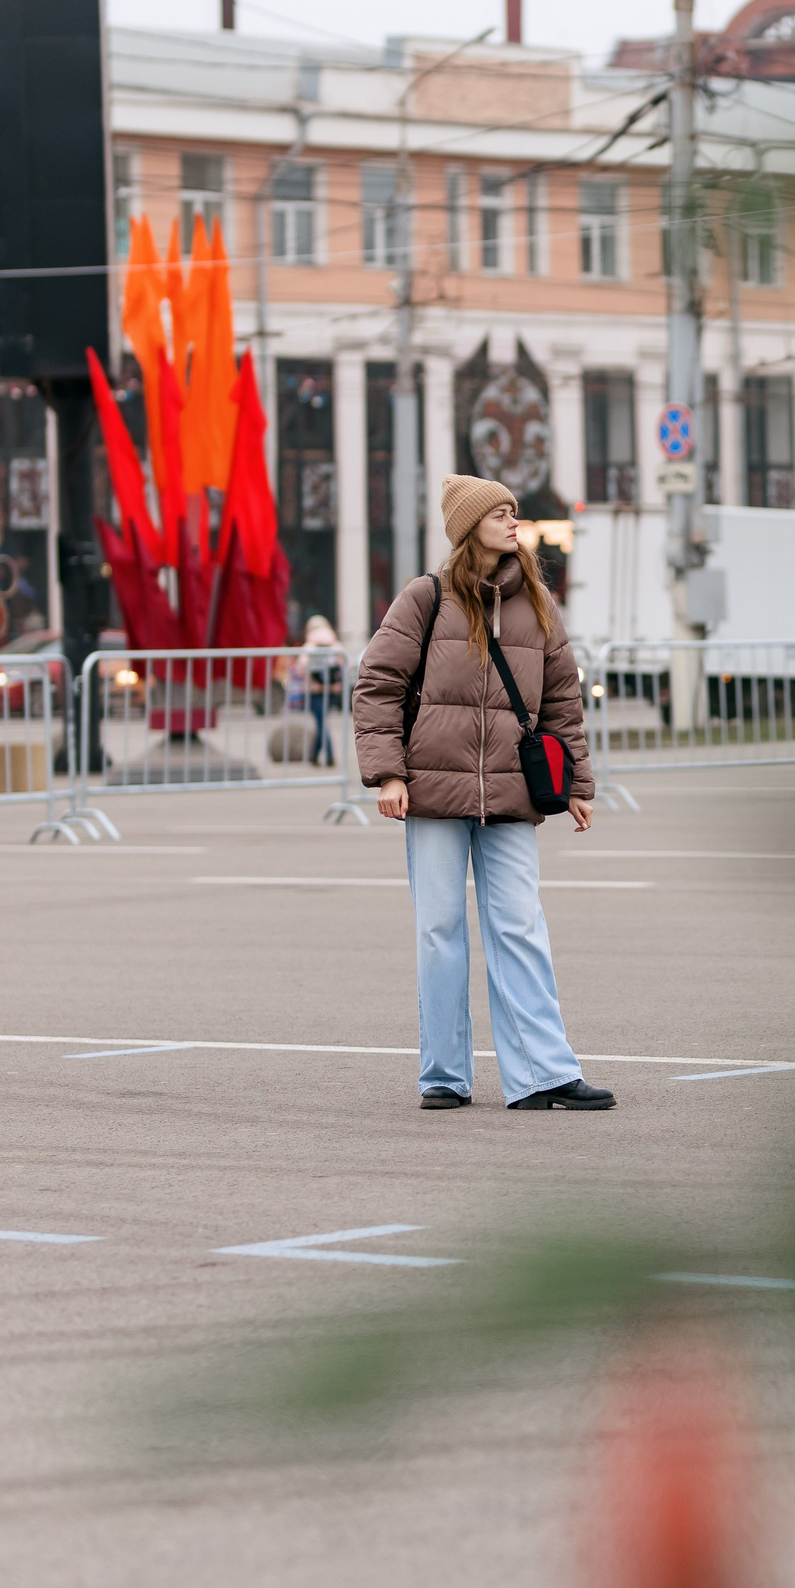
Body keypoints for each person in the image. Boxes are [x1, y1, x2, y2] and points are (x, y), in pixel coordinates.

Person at [352, 475, 617, 1113]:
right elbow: (378, 684)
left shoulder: (538, 604)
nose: (512, 521)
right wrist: (388, 773)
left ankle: (542, 1075)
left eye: (513, 512)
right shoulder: (426, 597)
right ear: (468, 527)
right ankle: (444, 1075)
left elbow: (563, 701)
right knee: (439, 930)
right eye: (499, 513)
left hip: (513, 789)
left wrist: (578, 784)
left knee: (519, 926)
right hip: (432, 790)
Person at [301, 614, 343, 767]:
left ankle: (329, 756)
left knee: (321, 723)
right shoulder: (336, 645)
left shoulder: (309, 646)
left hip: (314, 690)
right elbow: (343, 666)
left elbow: (301, 667)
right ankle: (314, 756)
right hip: (331, 690)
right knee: (322, 723)